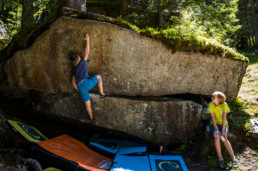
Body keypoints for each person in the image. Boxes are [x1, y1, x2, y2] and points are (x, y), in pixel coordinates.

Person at [70, 33, 105, 124]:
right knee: (99, 77)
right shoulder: (82, 62)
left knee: (87, 104)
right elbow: (87, 51)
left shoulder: (74, 70)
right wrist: (88, 40)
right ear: (78, 59)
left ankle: (92, 119)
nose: (81, 57)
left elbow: (73, 82)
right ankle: (101, 93)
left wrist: (78, 90)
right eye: (80, 57)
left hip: (80, 87)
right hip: (87, 83)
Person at [207, 91, 238, 169]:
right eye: (212, 96)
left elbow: (224, 118)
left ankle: (233, 158)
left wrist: (223, 131)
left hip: (223, 125)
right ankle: (220, 158)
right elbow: (213, 119)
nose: (212, 98)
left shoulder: (224, 105)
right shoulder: (211, 105)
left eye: (214, 97)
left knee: (224, 138)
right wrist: (216, 130)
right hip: (214, 125)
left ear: (219, 100)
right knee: (217, 136)